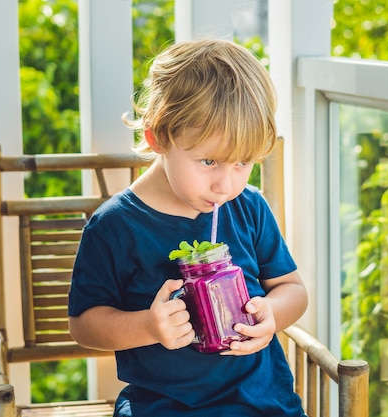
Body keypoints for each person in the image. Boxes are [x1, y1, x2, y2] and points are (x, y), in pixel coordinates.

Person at [68, 38, 309, 417]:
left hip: (260, 402)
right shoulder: (114, 227)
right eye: (209, 161)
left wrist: (272, 314)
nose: (226, 186)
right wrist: (148, 326)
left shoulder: (248, 208)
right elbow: (84, 324)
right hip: (164, 406)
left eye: (243, 162)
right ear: (158, 136)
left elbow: (292, 289)